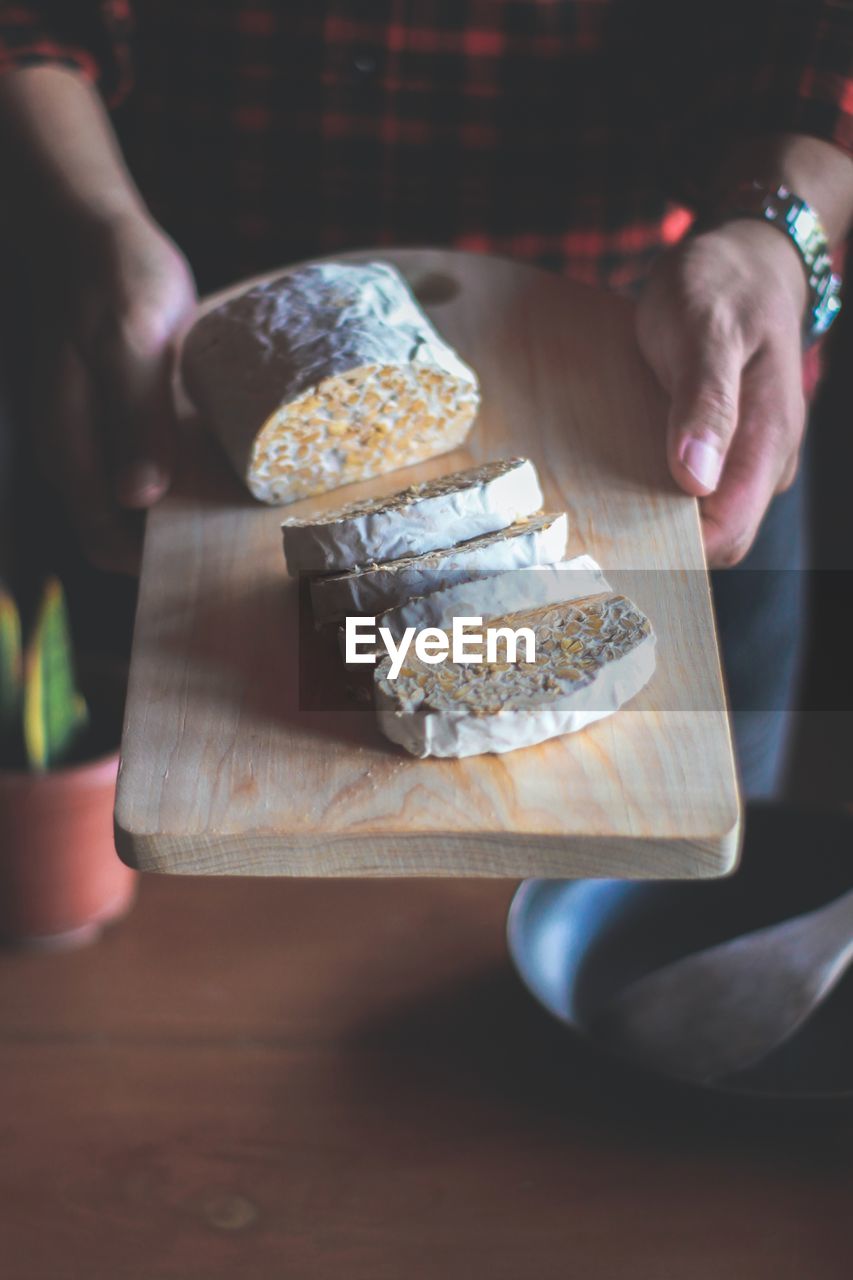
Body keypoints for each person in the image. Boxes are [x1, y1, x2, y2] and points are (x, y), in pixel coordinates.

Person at [0, 1, 851, 794]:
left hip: (657, 367)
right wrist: (81, 221)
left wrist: (776, 235)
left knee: (660, 925)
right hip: (153, 346)